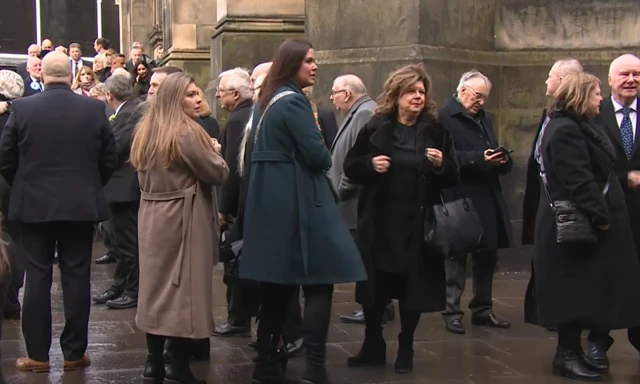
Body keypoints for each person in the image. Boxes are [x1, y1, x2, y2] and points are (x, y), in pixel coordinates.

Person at [241, 38, 366, 384]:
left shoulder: (264, 101)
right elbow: (319, 156)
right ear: (292, 63)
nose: (314, 66)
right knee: (319, 281)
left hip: (269, 198)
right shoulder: (294, 103)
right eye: (308, 61)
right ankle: (314, 366)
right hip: (298, 199)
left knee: (278, 286)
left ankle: (266, 362)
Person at [0, 51, 116, 372]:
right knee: (77, 278)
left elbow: (6, 159)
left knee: (37, 278)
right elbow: (109, 158)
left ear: (44, 75)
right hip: (80, 207)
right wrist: (90, 186)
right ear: (70, 74)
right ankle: (74, 353)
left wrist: (24, 185)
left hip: (33, 207)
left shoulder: (21, 109)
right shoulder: (94, 109)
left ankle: (37, 355)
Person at [524, 72, 640, 380]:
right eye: (596, 93)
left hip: (582, 227)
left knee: (580, 290)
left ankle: (573, 353)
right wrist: (601, 218)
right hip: (575, 228)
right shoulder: (565, 130)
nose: (601, 99)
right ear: (579, 95)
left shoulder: (577, 126)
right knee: (571, 292)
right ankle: (567, 355)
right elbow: (577, 180)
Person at [343, 64, 458, 374]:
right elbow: (350, 165)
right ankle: (373, 344)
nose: (418, 97)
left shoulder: (435, 130)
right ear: (397, 95)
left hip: (417, 226)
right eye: (411, 92)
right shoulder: (376, 125)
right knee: (375, 290)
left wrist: (441, 164)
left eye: (422, 92)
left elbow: (453, 175)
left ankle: (406, 346)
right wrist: (370, 164)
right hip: (380, 224)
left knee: (412, 289)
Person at [130, 72, 228, 383]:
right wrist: (214, 151)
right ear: (174, 99)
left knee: (155, 288)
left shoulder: (146, 130)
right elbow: (217, 173)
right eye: (190, 94)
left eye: (198, 93)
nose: (198, 99)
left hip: (152, 215)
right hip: (183, 217)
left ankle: (154, 361)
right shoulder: (187, 133)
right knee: (184, 288)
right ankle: (178, 363)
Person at [439, 70, 513, 335]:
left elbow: (491, 148)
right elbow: (444, 159)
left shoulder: (485, 119)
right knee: (456, 258)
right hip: (459, 196)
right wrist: (479, 158)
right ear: (462, 92)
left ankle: (482, 309)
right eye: (477, 96)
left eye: (485, 98)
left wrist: (503, 160)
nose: (481, 102)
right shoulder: (443, 118)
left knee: (487, 256)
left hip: (487, 195)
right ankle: (452, 312)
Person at [587, 54, 640, 368]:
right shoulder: (595, 114)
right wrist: (625, 178)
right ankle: (597, 340)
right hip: (606, 212)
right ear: (609, 80)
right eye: (624, 74)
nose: (631, 79)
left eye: (637, 73)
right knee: (604, 277)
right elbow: (587, 165)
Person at [0, 70, 25, 322]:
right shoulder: (23, 110)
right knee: (15, 239)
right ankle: (12, 297)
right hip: (18, 183)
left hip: (4, 179)